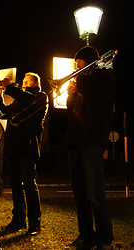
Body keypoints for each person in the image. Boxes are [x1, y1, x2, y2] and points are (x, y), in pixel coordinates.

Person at [66, 46, 115, 250]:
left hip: (92, 139)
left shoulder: (104, 76)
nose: (77, 67)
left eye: (80, 63)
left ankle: (105, 238)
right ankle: (86, 236)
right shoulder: (83, 83)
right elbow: (72, 108)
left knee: (94, 192)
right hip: (76, 139)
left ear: (90, 62)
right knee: (79, 193)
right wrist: (71, 93)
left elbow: (94, 98)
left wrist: (81, 82)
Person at [0, 72, 48, 236]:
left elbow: (28, 100)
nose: (22, 83)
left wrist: (9, 87)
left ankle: (34, 223)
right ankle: (18, 220)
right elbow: (5, 112)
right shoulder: (20, 99)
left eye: (25, 81)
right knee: (16, 187)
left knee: (29, 186)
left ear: (33, 83)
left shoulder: (40, 96)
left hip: (27, 148)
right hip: (13, 148)